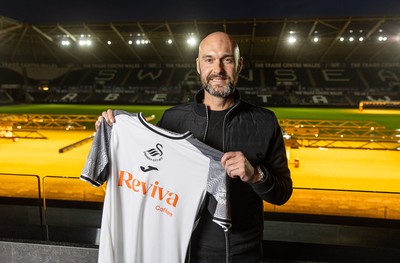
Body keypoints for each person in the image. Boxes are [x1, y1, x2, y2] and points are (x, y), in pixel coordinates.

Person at [96, 31, 292, 263]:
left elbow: (282, 193)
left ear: (239, 65)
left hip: (241, 255)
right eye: (209, 59)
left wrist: (256, 174)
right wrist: (111, 139)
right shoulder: (172, 119)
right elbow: (144, 173)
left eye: (226, 59)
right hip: (177, 252)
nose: (217, 69)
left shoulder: (264, 121)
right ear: (198, 66)